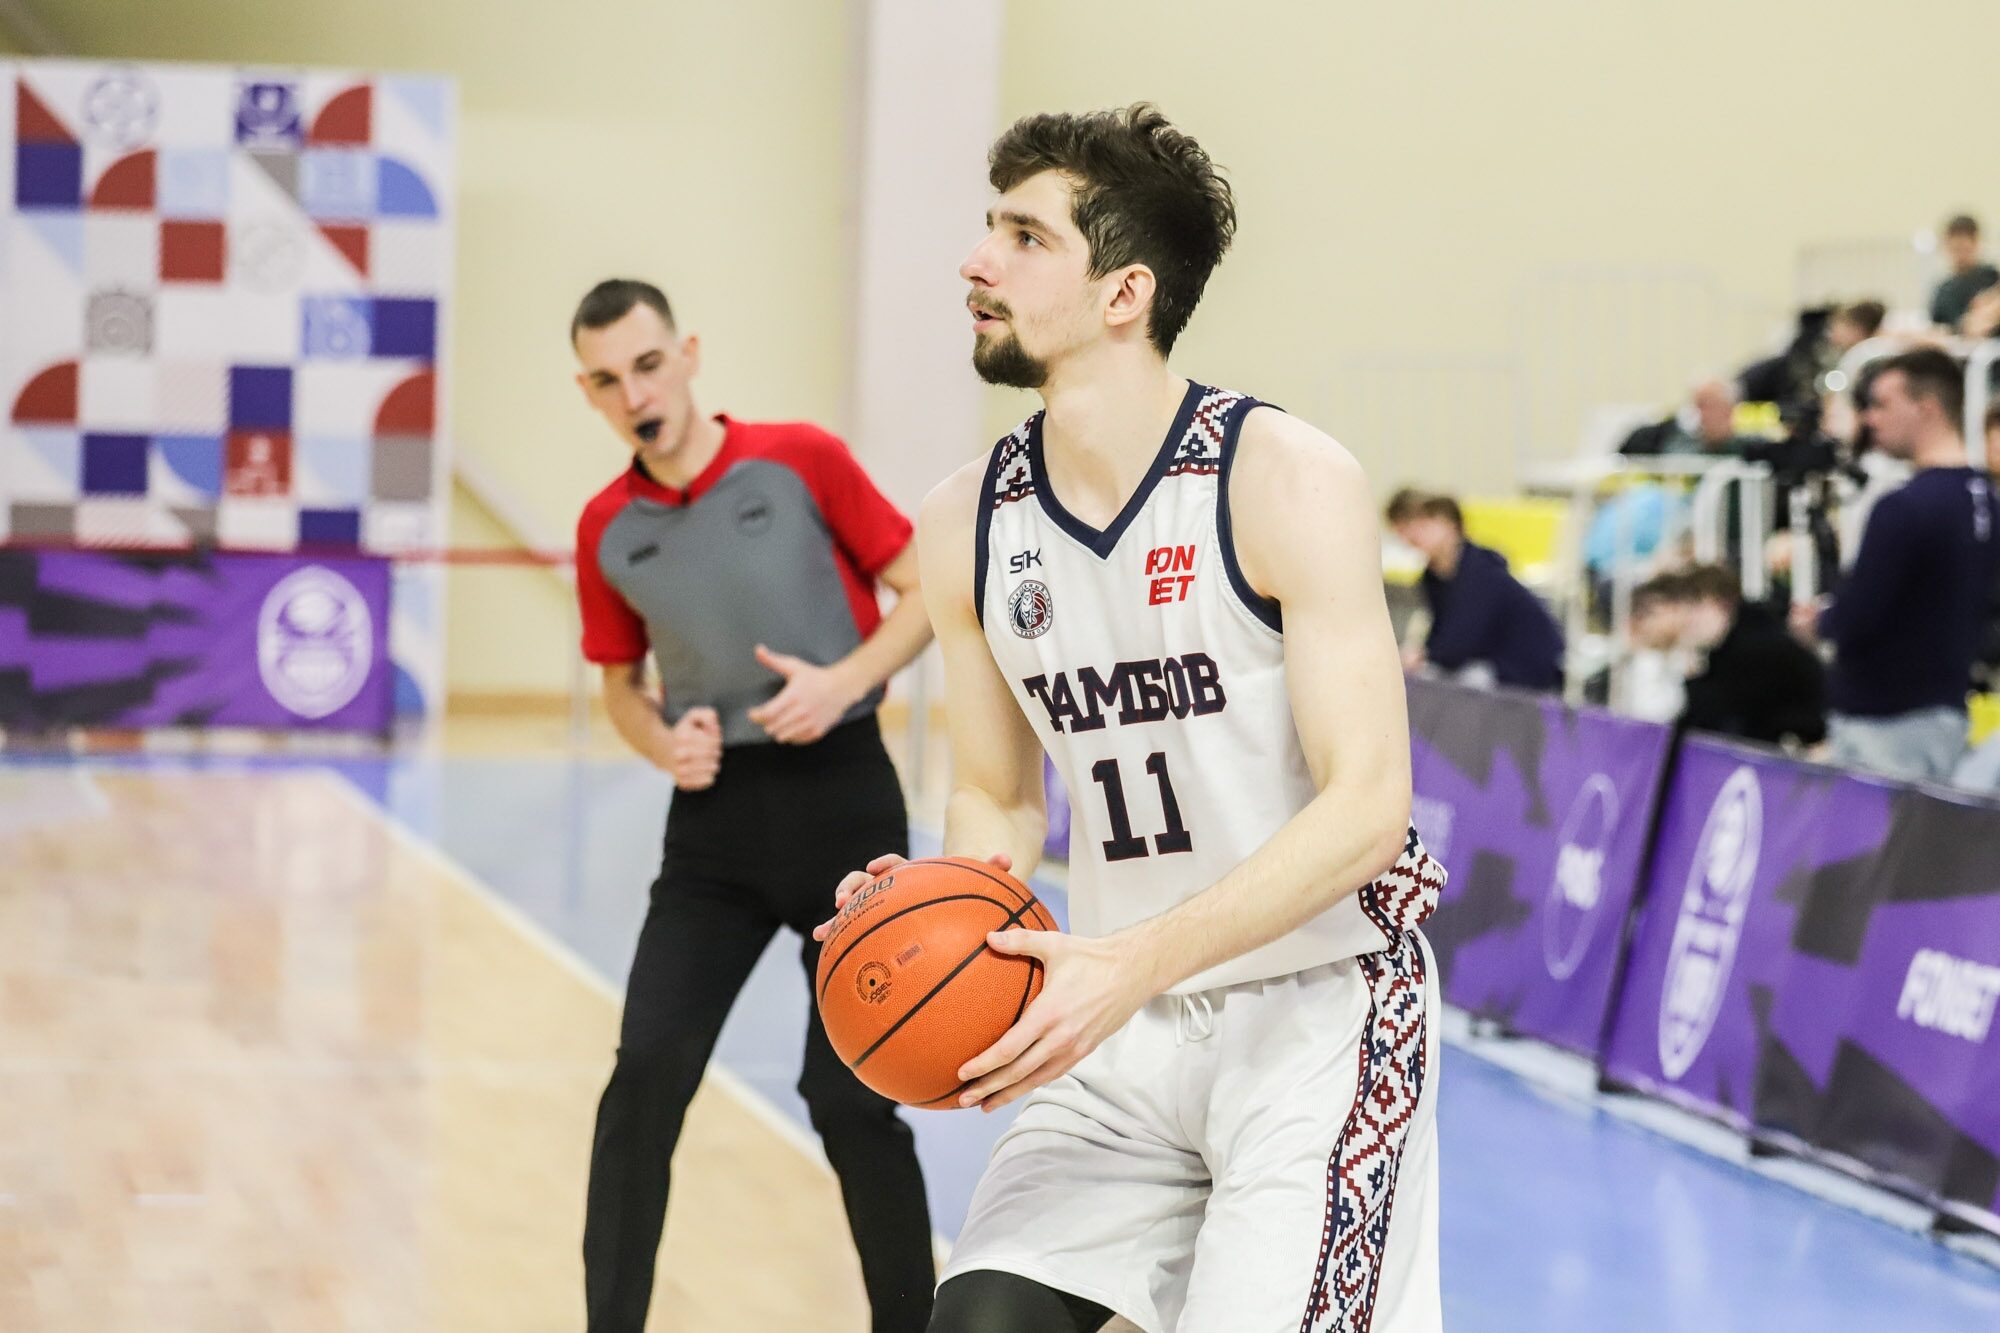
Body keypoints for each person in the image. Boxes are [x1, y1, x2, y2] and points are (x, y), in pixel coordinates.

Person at [818, 105, 1445, 1333]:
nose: (976, 261)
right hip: (1118, 1023)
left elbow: (1369, 808)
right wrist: (944, 905)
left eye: (1024, 237)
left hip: (1318, 1014)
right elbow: (997, 798)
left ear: (1124, 292)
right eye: (988, 230)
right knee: (977, 1322)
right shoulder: (966, 521)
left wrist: (1129, 963)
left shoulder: (1283, 478)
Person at [569, 279, 938, 1333]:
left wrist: (844, 680)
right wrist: (661, 742)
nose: (635, 394)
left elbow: (924, 591)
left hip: (844, 805)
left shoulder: (801, 458)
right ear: (588, 393)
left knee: (851, 1097)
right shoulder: (606, 529)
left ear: (686, 354)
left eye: (648, 365)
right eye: (608, 380)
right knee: (645, 1077)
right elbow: (619, 687)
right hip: (714, 831)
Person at [1793, 347, 2000, 782]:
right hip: (1942, 711)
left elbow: (1858, 615)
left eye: (1883, 404)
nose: (1871, 419)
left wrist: (1820, 621)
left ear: (1926, 407)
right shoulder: (1984, 499)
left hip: (1886, 720)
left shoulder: (1905, 508)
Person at [1387, 488, 1566, 692]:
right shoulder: (1433, 577)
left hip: (1520, 668)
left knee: (1453, 681)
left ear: (1450, 523)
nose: (1414, 533)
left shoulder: (1481, 571)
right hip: (1485, 660)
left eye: (1425, 522)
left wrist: (1424, 655)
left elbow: (1461, 641)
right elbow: (1444, 632)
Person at [1674, 563, 1827, 748]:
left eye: (1695, 607)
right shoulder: (1747, 635)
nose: (1687, 620)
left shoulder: (1752, 648)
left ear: (1721, 603)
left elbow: (1722, 717)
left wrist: (1692, 678)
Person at [1930, 215, 2000, 333]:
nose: (1960, 255)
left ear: (1976, 243)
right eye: (1955, 249)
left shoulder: (1992, 278)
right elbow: (1938, 326)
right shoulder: (1944, 291)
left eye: (1964, 248)